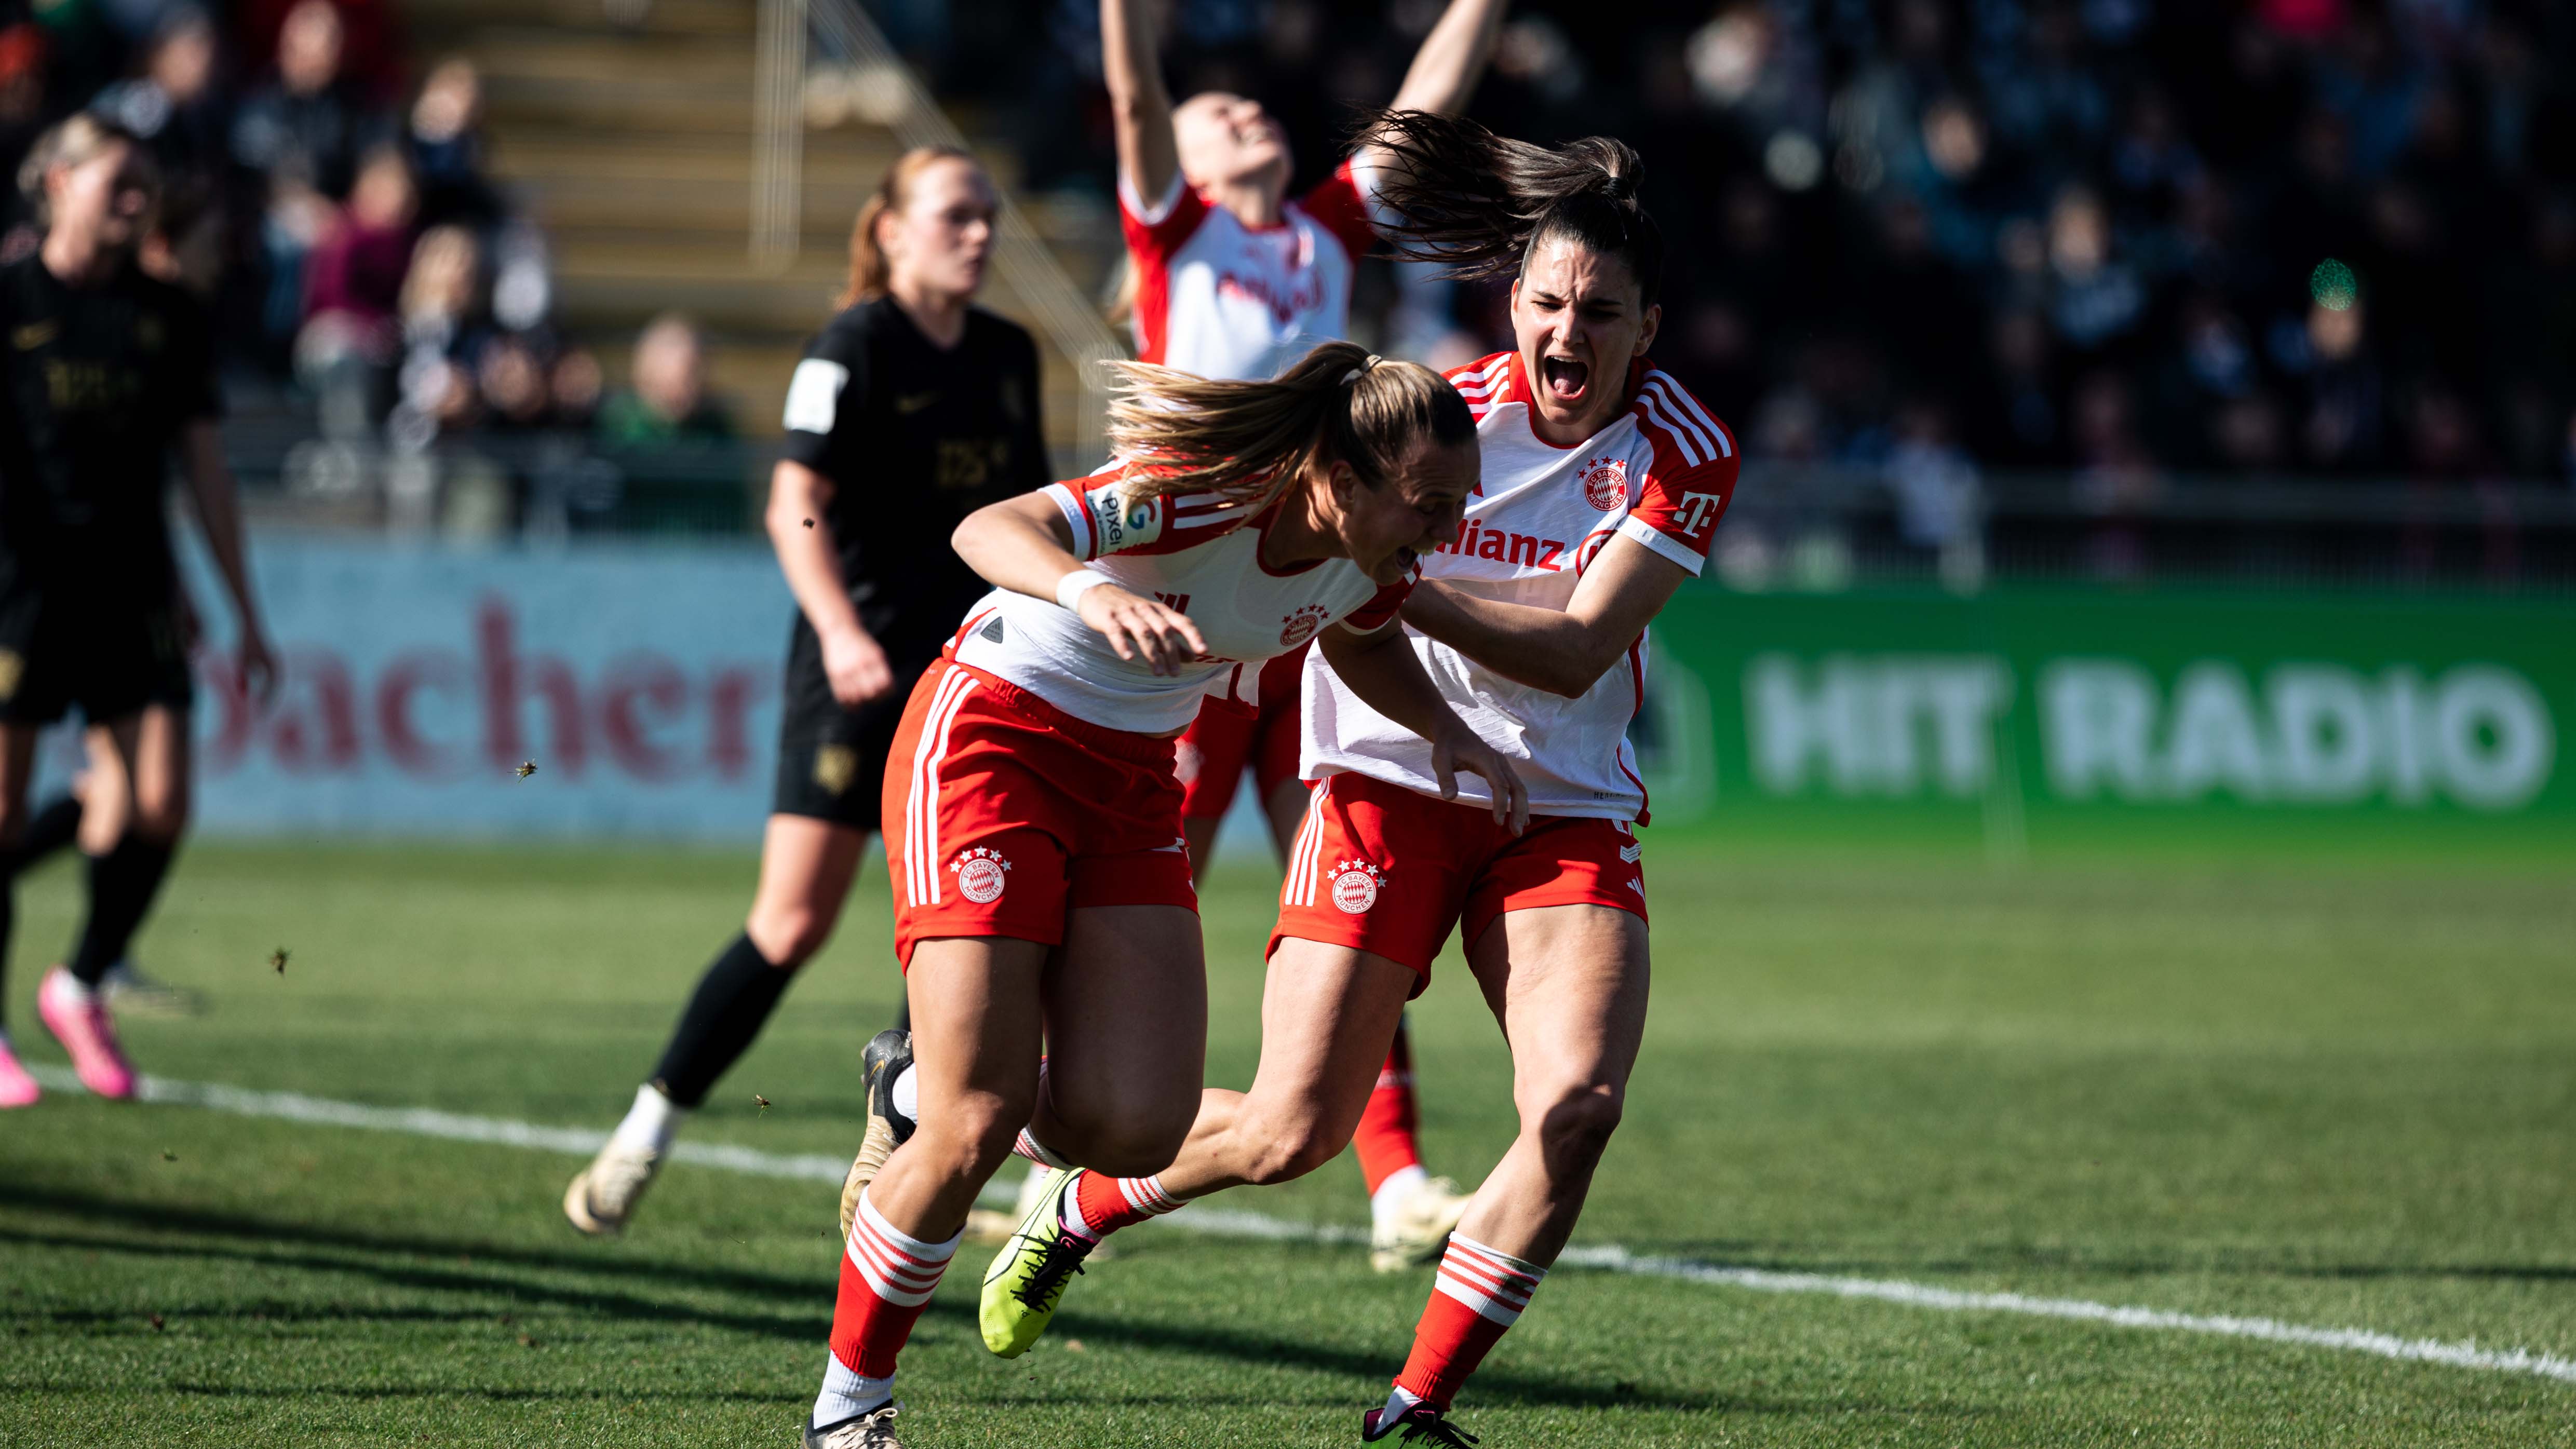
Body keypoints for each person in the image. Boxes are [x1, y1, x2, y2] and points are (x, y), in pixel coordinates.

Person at [978, 112, 1739, 1448]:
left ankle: (1416, 1407)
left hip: (1555, 807)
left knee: (1576, 1108)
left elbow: (1573, 654)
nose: (1567, 334)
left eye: (1600, 314)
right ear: (1514, 301)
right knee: (1288, 1131)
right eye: (1548, 303)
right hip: (1383, 776)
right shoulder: (1437, 420)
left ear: (1647, 328)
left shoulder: (1684, 449)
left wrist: (1402, 578)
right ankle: (1085, 1201)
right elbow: (1302, 541)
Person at [801, 338, 1525, 1449]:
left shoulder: (1370, 561)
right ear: (1338, 477)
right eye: (1428, 504)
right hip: (991, 737)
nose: (1441, 532)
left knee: (1136, 1130)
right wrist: (1089, 589)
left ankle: (908, 1093)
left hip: (1133, 779)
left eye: (1453, 506)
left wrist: (1452, 737)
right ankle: (850, 1410)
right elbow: (987, 530)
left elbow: (1364, 638)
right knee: (978, 1120)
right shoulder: (1196, 490)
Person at [558, 147, 1049, 1234]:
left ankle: (902, 1135)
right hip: (856, 667)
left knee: (958, 918)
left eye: (988, 215)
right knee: (791, 921)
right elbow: (795, 507)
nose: (979, 233)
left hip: (968, 670)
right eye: (955, 215)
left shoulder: (1010, 354)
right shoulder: (851, 348)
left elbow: (1025, 511)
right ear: (891, 230)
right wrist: (838, 630)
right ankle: (648, 1128)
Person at [1098, 0, 1510, 1274]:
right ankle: (1037, 1109)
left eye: (1247, 102)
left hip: (1313, 602)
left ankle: (1396, 1179)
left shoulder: (1329, 226)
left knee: (1348, 896)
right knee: (1126, 884)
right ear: (1186, 157)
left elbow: (1423, 113)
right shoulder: (1178, 231)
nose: (1242, 108)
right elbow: (1130, 101)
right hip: (1198, 613)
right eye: (1212, 111)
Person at [0, 115, 276, 1108]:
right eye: (119, 179)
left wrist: (244, 610)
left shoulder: (166, 313)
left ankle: (79, 983)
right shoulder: (11, 297)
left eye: (146, 185)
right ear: (58, 181)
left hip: (131, 582)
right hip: (18, 586)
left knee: (159, 802)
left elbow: (203, 465)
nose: (137, 198)